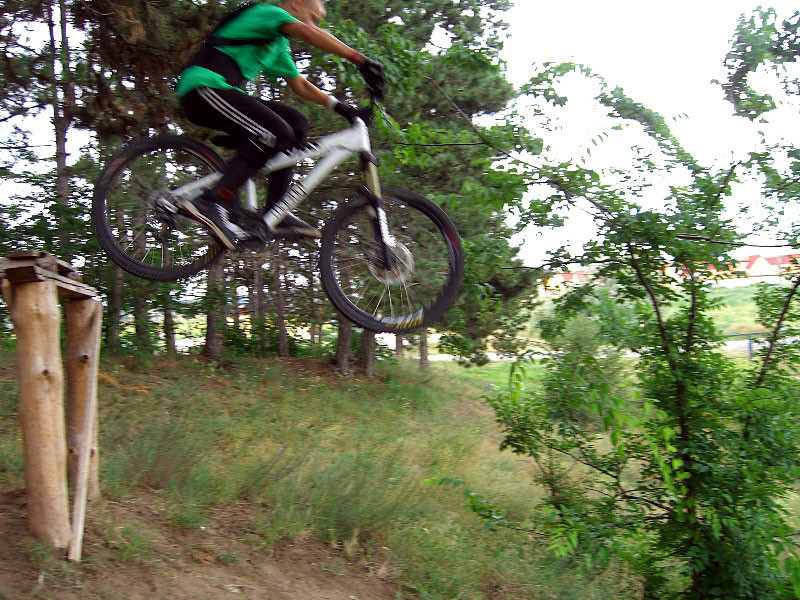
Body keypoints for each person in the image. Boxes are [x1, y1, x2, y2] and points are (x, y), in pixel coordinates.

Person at [175, 0, 386, 250]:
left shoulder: (277, 44)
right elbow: (308, 33)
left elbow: (300, 84)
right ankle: (212, 201)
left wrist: (342, 108)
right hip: (204, 87)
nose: (314, 25)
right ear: (296, 4)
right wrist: (359, 60)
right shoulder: (268, 13)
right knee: (274, 133)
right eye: (313, 18)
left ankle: (276, 211)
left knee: (295, 123)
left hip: (221, 92)